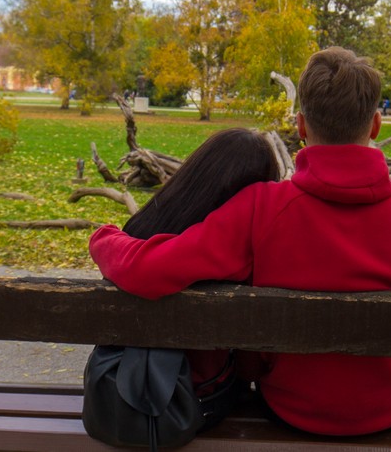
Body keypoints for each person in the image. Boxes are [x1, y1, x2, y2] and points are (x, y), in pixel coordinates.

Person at [90, 47, 391, 436]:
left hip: (289, 410)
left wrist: (105, 237)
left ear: (301, 127)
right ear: (375, 125)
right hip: (389, 410)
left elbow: (148, 270)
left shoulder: (259, 209)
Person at [116, 127, 281, 397]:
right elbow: (249, 368)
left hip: (125, 387)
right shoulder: (232, 254)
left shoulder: (141, 230)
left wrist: (105, 237)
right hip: (198, 395)